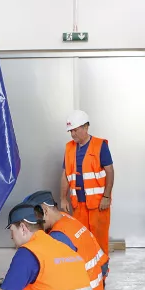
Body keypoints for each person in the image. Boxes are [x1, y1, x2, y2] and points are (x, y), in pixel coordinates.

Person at [23, 190, 109, 290]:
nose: (35, 225)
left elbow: (52, 279)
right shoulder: (66, 218)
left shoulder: (59, 236)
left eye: (35, 220)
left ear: (44, 211)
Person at [60, 109, 114, 258]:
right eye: (70, 131)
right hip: (78, 205)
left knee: (99, 243)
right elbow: (65, 175)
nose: (72, 134)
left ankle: (101, 276)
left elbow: (109, 171)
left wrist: (106, 197)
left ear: (85, 127)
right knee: (81, 241)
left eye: (75, 130)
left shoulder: (100, 145)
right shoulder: (69, 148)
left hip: (98, 205)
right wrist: (63, 198)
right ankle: (86, 275)